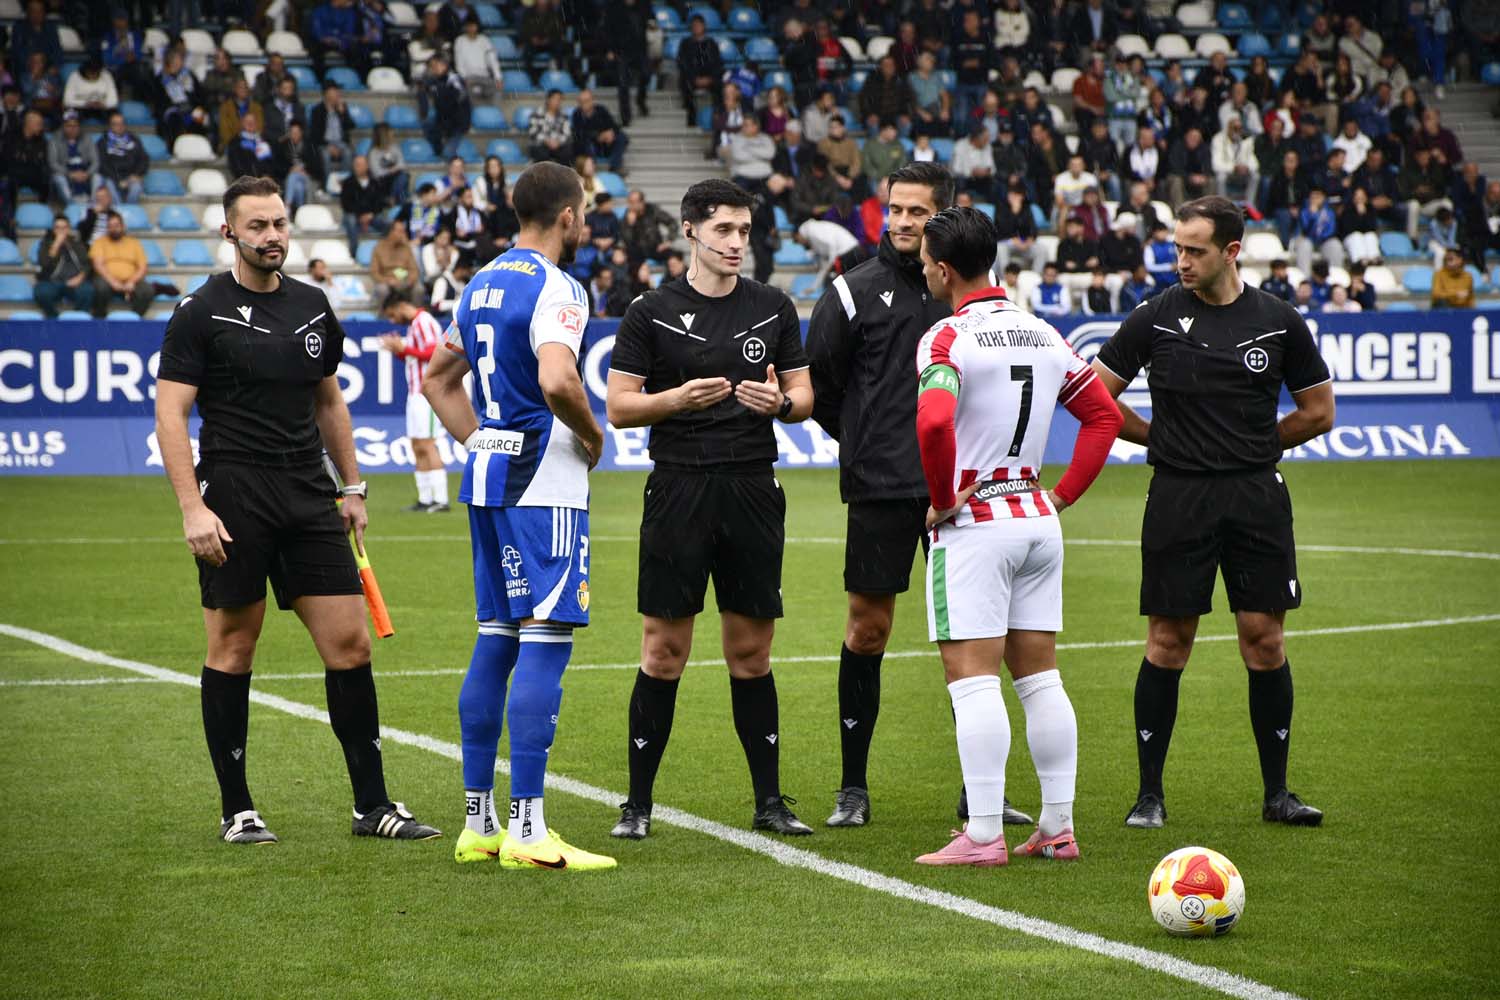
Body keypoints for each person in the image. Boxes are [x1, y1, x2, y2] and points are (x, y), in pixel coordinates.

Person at [154, 175, 440, 845]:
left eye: (279, 223)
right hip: (234, 492)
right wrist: (193, 508)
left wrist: (354, 486)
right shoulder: (200, 311)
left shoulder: (312, 305)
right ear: (229, 232)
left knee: (350, 644)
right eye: (256, 226)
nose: (272, 235)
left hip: (308, 493)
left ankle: (373, 806)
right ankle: (238, 809)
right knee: (232, 647)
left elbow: (329, 402)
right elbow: (171, 412)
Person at [1090, 195, 1335, 831]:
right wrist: (1154, 438)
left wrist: (1256, 446)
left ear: (1232, 251)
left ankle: (1278, 794)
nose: (1182, 261)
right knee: (1169, 642)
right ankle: (1149, 796)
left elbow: (1318, 411)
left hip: (1255, 496)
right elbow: (1093, 396)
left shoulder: (1280, 320)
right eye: (1177, 248)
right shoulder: (1157, 316)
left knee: (1265, 639)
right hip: (1178, 495)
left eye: (1195, 249)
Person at [806, 162, 1035, 830]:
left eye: (917, 212)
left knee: (971, 643)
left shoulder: (968, 299)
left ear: (944, 214)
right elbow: (824, 387)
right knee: (868, 628)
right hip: (882, 487)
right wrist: (867, 438)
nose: (904, 222)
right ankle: (853, 787)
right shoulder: (851, 292)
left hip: (964, 495)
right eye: (895, 210)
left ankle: (980, 795)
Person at [910, 205, 1121, 866]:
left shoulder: (947, 338)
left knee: (970, 679)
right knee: (1039, 678)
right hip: (1035, 515)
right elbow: (1104, 417)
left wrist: (943, 501)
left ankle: (981, 836)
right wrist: (1060, 496)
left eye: (924, 262)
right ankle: (1057, 828)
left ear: (943, 269)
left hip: (977, 525)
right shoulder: (1044, 333)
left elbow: (935, 425)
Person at [605, 179, 815, 841]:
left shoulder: (773, 306)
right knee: (663, 649)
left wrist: (779, 405)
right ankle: (637, 805)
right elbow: (618, 405)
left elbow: (805, 394)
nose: (735, 244)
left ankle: (769, 803)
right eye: (724, 230)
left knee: (751, 652)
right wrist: (676, 400)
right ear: (691, 230)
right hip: (679, 487)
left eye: (744, 233)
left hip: (752, 486)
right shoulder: (650, 310)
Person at [418, 162, 614, 870]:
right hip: (546, 480)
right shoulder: (558, 287)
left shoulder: (481, 283)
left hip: (490, 476)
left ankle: (480, 822)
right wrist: (591, 437)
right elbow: (560, 378)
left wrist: (479, 440)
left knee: (496, 635)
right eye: (584, 211)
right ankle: (531, 834)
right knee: (547, 637)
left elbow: (436, 378)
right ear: (568, 216)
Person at [377, 290, 450, 512]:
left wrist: (404, 348)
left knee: (427, 443)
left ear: (400, 305)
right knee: (417, 444)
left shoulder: (424, 321)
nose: (392, 320)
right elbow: (415, 356)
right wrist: (399, 351)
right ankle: (425, 498)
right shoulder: (414, 325)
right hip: (415, 393)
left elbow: (434, 353)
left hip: (427, 393)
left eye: (392, 314)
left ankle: (441, 499)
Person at [88, 210, 152, 317]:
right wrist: (113, 282)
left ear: (123, 226)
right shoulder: (100, 242)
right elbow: (98, 265)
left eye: (116, 225)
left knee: (147, 290)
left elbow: (143, 267)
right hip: (107, 280)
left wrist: (131, 281)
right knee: (100, 288)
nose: (114, 229)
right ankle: (100, 320)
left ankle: (134, 319)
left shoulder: (134, 243)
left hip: (130, 281)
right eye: (110, 226)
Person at [34, 214, 95, 318]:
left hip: (75, 282)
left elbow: (87, 264)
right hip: (52, 282)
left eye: (64, 227)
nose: (61, 230)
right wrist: (56, 245)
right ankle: (54, 319)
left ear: (69, 229)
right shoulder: (45, 244)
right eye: (58, 227)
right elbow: (43, 265)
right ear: (53, 229)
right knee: (41, 292)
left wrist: (80, 278)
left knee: (88, 291)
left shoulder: (77, 243)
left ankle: (76, 320)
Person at [48, 110, 102, 204]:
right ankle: (72, 204)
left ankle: (92, 204)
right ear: (64, 126)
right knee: (58, 178)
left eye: (75, 126)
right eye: (69, 126)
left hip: (84, 174)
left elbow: (96, 161)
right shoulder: (55, 140)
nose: (72, 129)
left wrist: (87, 173)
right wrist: (70, 174)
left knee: (98, 177)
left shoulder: (87, 138)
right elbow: (53, 163)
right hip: (65, 174)